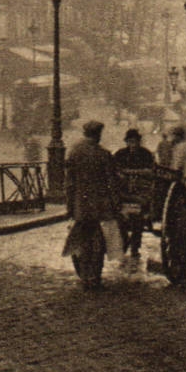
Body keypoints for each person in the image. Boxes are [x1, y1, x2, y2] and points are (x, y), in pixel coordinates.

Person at [64, 120, 125, 286]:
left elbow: (69, 183)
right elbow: (112, 182)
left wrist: (69, 206)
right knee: (98, 241)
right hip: (100, 205)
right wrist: (116, 203)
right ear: (98, 134)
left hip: (81, 205)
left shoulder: (74, 153)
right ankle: (95, 277)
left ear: (85, 134)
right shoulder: (103, 154)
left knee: (82, 240)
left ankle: (84, 276)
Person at [112, 127, 156, 262]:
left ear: (139, 142)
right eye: (130, 142)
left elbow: (151, 171)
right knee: (120, 220)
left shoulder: (146, 154)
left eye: (135, 141)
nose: (133, 144)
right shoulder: (120, 154)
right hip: (123, 191)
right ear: (126, 142)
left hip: (140, 192)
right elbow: (113, 170)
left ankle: (135, 247)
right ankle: (124, 242)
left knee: (137, 221)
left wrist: (133, 173)